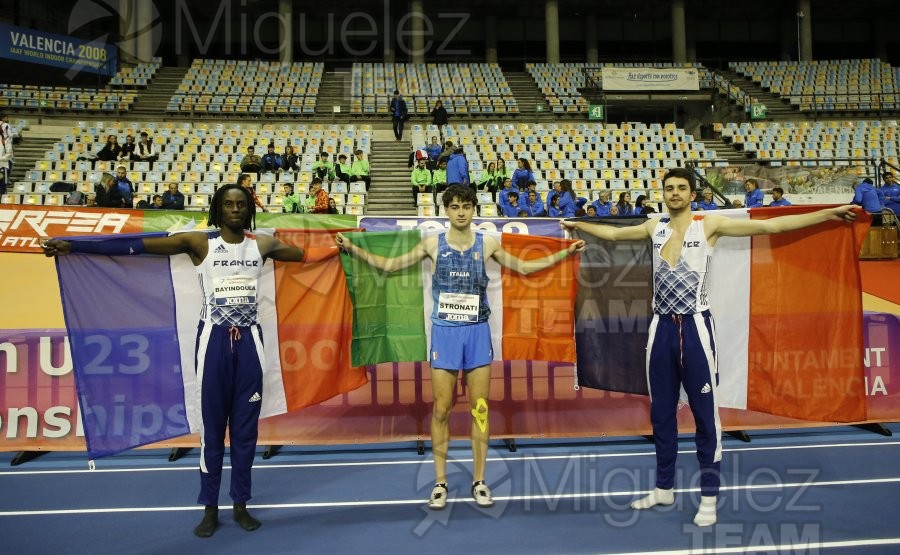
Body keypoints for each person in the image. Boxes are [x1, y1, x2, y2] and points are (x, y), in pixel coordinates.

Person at [561, 167, 858, 527]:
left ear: (691, 193)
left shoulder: (709, 226)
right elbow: (611, 232)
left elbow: (771, 227)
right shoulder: (654, 226)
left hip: (696, 329)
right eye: (669, 188)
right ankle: (664, 487)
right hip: (661, 329)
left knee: (705, 417)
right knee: (661, 415)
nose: (674, 194)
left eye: (681, 188)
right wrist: (579, 225)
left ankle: (709, 497)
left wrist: (826, 213)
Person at [42, 183, 329, 538]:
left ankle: (241, 504)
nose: (236, 209)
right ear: (218, 208)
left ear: (248, 209)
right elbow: (137, 246)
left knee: (245, 433)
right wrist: (76, 245)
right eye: (228, 204)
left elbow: (307, 255)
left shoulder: (263, 245)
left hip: (251, 345)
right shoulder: (199, 243)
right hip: (213, 344)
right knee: (212, 432)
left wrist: (342, 248)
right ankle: (210, 507)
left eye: (241, 204)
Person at [335, 184, 584, 511]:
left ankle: (479, 481)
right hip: (445, 334)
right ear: (446, 211)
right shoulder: (431, 243)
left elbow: (523, 268)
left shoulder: (488, 243)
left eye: (466, 205)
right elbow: (389, 266)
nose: (461, 212)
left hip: (477, 333)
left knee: (480, 409)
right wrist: (353, 249)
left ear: (473, 208)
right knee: (442, 408)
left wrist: (566, 252)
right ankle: (440, 482)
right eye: (454, 206)